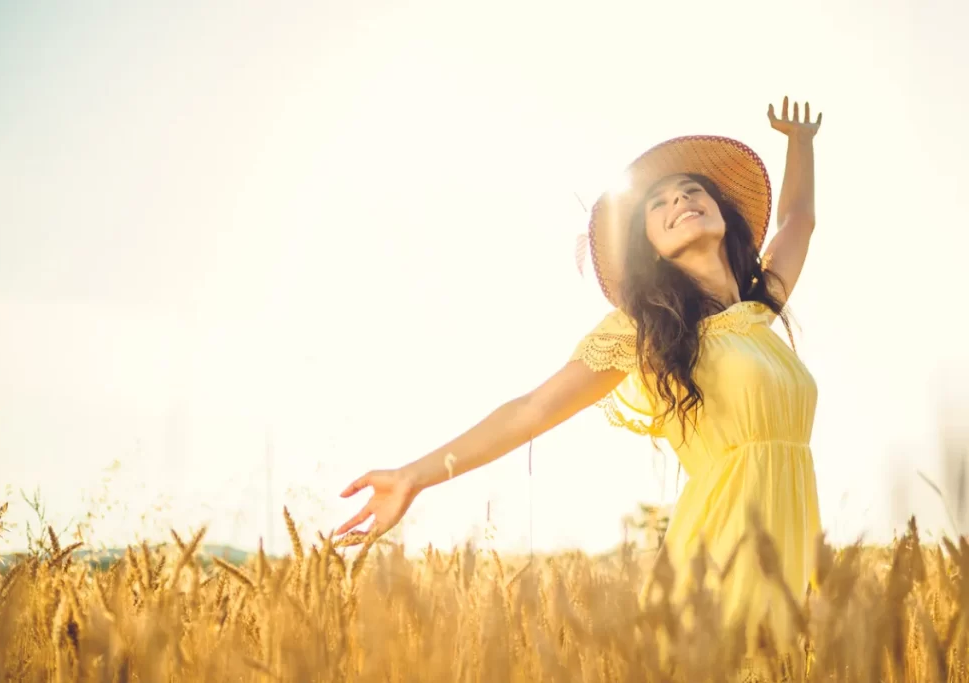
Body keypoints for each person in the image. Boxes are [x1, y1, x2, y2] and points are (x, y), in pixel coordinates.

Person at [334, 97, 824, 647]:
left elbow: (798, 221)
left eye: (692, 191)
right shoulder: (644, 332)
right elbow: (532, 410)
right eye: (659, 202)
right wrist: (413, 476)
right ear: (652, 250)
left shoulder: (760, 310)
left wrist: (799, 142)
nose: (680, 200)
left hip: (791, 554)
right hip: (718, 558)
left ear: (720, 213)